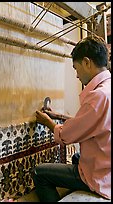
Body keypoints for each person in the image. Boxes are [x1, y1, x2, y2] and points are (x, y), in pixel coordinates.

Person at [33, 36, 111, 202]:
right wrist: (59, 116)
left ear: (87, 62)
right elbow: (94, 122)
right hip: (107, 164)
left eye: (76, 69)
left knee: (39, 173)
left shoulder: (98, 96)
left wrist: (48, 122)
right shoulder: (107, 89)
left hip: (102, 175)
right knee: (76, 158)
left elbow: (66, 136)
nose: (76, 75)